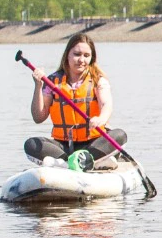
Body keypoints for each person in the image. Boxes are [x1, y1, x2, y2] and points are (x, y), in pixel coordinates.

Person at [25, 33, 127, 166]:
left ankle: (82, 160)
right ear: (67, 55)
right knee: (31, 144)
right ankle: (77, 162)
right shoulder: (52, 81)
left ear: (92, 58)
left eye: (86, 56)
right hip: (63, 147)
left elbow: (106, 104)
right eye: (77, 54)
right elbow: (38, 117)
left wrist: (101, 119)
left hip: (93, 143)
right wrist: (38, 86)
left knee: (120, 135)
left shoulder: (98, 80)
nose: (81, 60)